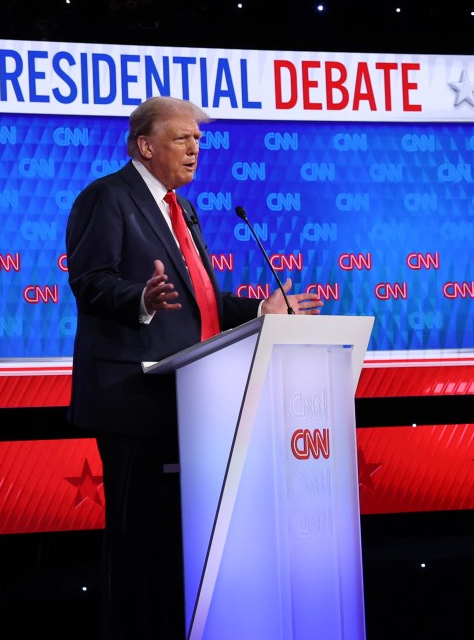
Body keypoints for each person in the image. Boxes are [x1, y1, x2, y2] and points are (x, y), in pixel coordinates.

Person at [65, 96, 324, 639]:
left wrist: (260, 310)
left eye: (198, 140)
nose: (194, 149)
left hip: (188, 400)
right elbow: (90, 281)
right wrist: (141, 296)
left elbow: (200, 299)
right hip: (131, 398)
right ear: (145, 145)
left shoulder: (184, 209)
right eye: (182, 138)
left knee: (175, 545)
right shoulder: (107, 198)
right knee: (135, 543)